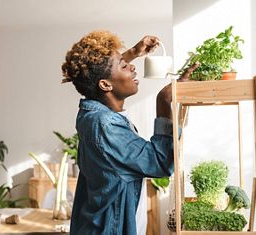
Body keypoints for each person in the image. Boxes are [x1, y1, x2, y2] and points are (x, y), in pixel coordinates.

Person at [61, 30, 199, 235]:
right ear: (105, 84)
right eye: (124, 65)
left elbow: (102, 72)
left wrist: (134, 52)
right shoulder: (105, 126)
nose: (132, 67)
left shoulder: (92, 112)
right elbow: (160, 163)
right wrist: (164, 100)